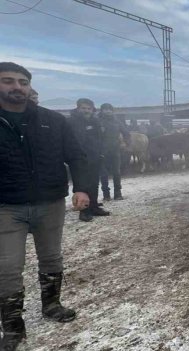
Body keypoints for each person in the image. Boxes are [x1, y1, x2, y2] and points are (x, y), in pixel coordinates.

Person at [0, 62, 89, 350]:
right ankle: (13, 328)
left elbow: (76, 156)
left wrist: (82, 187)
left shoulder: (53, 121)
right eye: (8, 81)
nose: (17, 87)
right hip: (6, 206)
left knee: (51, 258)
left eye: (23, 82)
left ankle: (52, 305)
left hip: (50, 202)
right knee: (7, 268)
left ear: (29, 87)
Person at [67, 98, 110, 222]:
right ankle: (84, 211)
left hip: (95, 157)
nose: (86, 111)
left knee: (94, 184)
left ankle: (94, 207)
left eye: (89, 108)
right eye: (83, 108)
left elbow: (102, 139)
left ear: (92, 110)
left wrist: (101, 153)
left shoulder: (96, 122)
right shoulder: (71, 122)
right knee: (82, 185)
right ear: (78, 108)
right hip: (79, 159)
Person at [98, 103, 130, 201]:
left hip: (115, 150)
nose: (107, 111)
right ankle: (106, 194)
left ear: (112, 111)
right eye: (105, 109)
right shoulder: (97, 121)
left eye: (109, 109)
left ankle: (118, 193)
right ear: (102, 110)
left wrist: (125, 143)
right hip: (102, 151)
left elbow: (126, 133)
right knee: (104, 174)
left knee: (117, 172)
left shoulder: (117, 121)